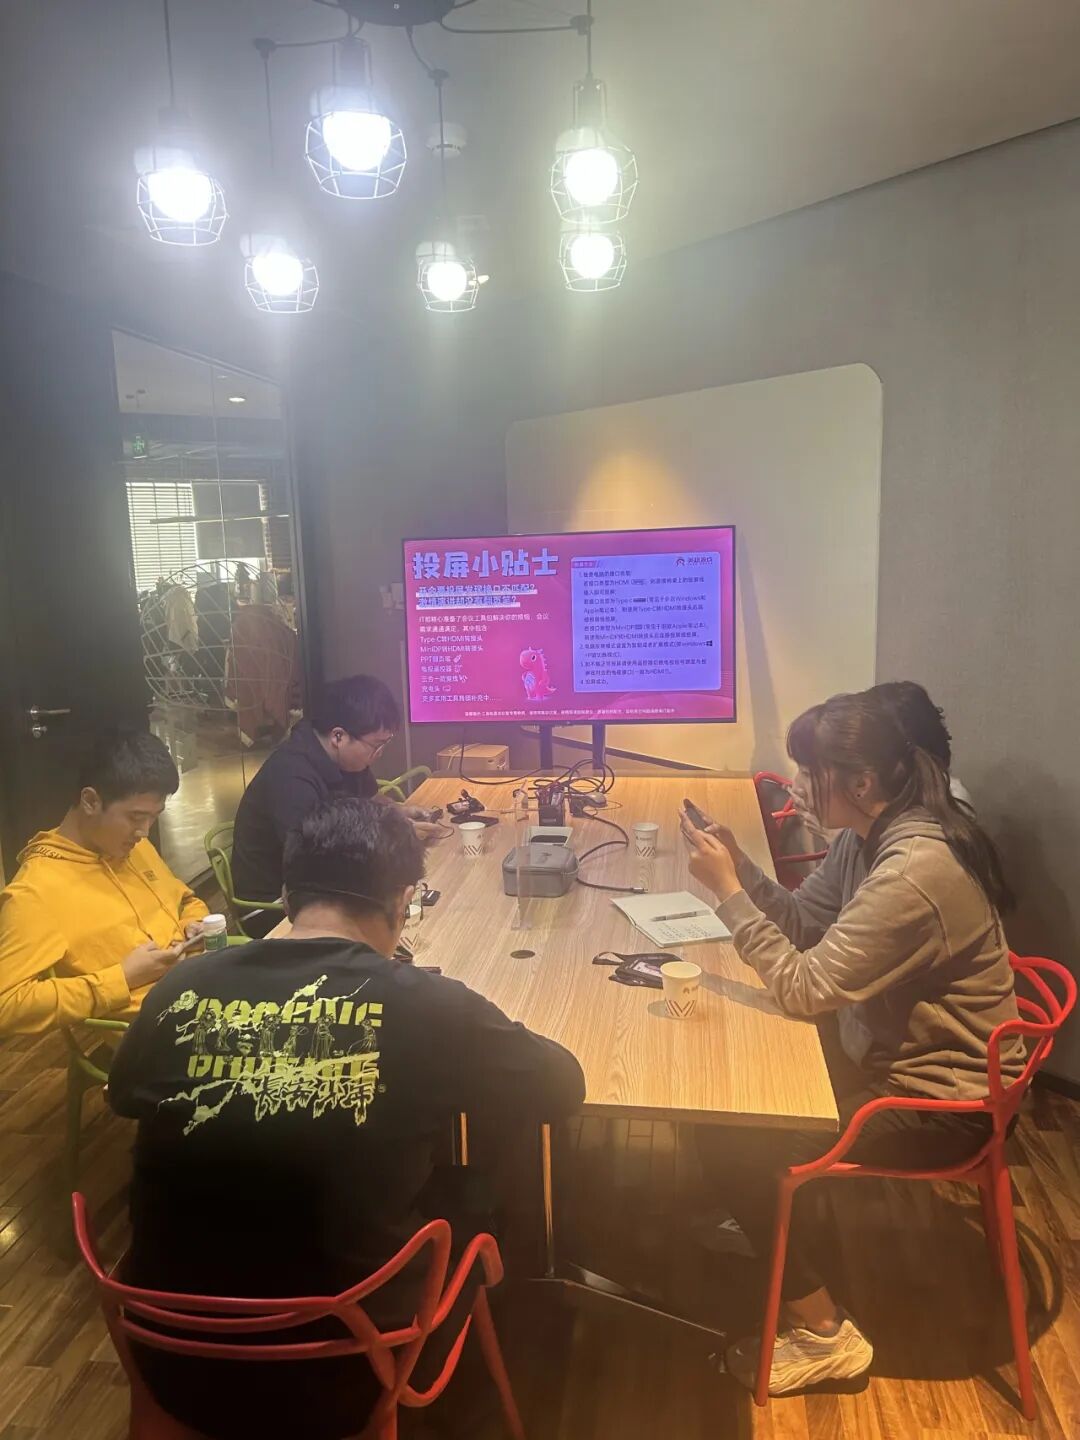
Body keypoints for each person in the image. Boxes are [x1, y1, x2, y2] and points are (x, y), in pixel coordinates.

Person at [107, 796, 585, 1440]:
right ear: (402, 901)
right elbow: (562, 1089)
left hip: (172, 1362)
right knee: (473, 1190)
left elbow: (122, 1094)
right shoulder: (428, 1007)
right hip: (344, 1377)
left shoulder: (178, 989)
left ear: (286, 897)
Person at [681, 689, 1021, 1396]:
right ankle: (771, 1216)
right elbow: (807, 926)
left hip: (940, 1105)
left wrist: (729, 896)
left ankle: (824, 1331)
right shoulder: (869, 837)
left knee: (726, 1124)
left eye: (811, 772)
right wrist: (743, 868)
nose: (799, 786)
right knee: (735, 1089)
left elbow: (805, 987)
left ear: (861, 783)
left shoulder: (915, 871)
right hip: (891, 1060)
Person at [0, 731, 207, 1037]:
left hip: (205, 987)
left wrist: (193, 923)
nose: (144, 832)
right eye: (135, 817)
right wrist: (121, 979)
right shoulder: (35, 892)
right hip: (162, 1031)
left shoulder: (132, 847)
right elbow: (6, 1006)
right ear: (90, 801)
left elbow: (186, 900)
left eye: (153, 817)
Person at [231, 674, 443, 935]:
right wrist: (398, 834)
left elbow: (371, 798)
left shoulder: (348, 760)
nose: (380, 754)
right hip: (277, 906)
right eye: (377, 745)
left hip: (324, 882)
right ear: (338, 736)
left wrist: (399, 812)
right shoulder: (291, 777)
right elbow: (319, 860)